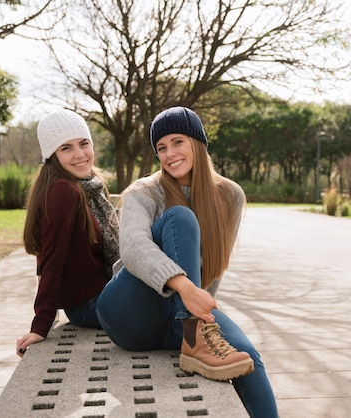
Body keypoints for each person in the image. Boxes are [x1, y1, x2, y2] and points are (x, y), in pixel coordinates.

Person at [96, 106, 278, 417]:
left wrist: (202, 317)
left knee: (247, 358)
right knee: (179, 218)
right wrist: (184, 287)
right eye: (162, 148)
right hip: (127, 311)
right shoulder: (145, 191)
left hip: (180, 320)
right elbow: (133, 248)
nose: (169, 154)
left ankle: (195, 339)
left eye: (177, 142)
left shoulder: (229, 196)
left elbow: (212, 272)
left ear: (198, 142)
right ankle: (194, 333)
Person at [16, 109, 119, 357]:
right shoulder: (64, 192)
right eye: (66, 148)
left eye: (84, 144)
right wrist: (41, 324)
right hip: (90, 305)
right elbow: (52, 259)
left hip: (99, 297)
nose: (80, 154)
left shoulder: (87, 188)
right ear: (52, 156)